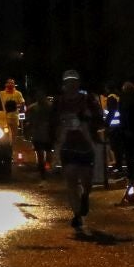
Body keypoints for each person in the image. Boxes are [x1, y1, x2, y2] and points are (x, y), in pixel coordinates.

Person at [49, 72, 103, 232]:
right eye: (68, 82)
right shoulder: (59, 102)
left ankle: (85, 196)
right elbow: (52, 121)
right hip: (67, 145)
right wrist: (54, 138)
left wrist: (88, 120)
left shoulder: (87, 99)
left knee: (87, 179)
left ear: (78, 83)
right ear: (64, 84)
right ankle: (77, 215)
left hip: (86, 145)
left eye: (74, 82)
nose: (71, 85)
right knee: (71, 180)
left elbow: (99, 118)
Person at [26, 92, 55, 178]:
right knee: (41, 152)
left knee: (45, 152)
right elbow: (29, 121)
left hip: (46, 133)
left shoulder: (50, 107)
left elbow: (29, 121)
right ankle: (43, 169)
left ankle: (44, 168)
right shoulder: (33, 108)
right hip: (40, 133)